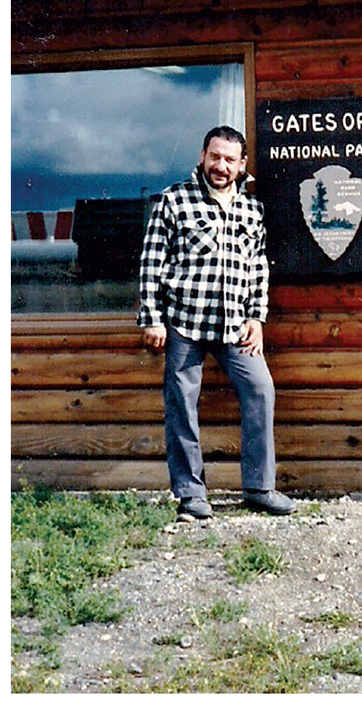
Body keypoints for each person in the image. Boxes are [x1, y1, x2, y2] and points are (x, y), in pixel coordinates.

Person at [138, 125, 295, 521]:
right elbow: (151, 264)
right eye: (214, 156)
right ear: (202, 156)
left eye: (229, 159)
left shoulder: (251, 210)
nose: (220, 166)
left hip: (234, 326)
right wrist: (152, 319)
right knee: (181, 406)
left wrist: (257, 317)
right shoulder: (174, 202)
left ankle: (260, 488)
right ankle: (191, 494)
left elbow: (258, 267)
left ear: (241, 165)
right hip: (183, 324)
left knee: (260, 390)